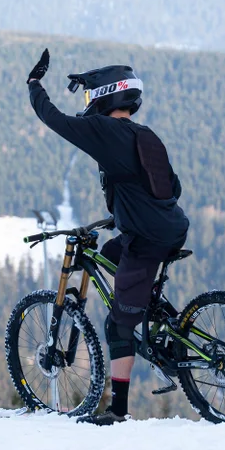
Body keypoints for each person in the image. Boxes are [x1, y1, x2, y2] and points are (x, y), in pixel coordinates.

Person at [25, 48, 189, 425]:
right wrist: (122, 216)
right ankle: (150, 308)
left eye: (89, 95)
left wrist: (35, 85)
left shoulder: (104, 130)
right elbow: (168, 188)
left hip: (147, 237)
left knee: (118, 324)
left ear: (104, 95)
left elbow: (54, 119)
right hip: (169, 227)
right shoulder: (145, 135)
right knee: (112, 255)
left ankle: (118, 410)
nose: (87, 103)